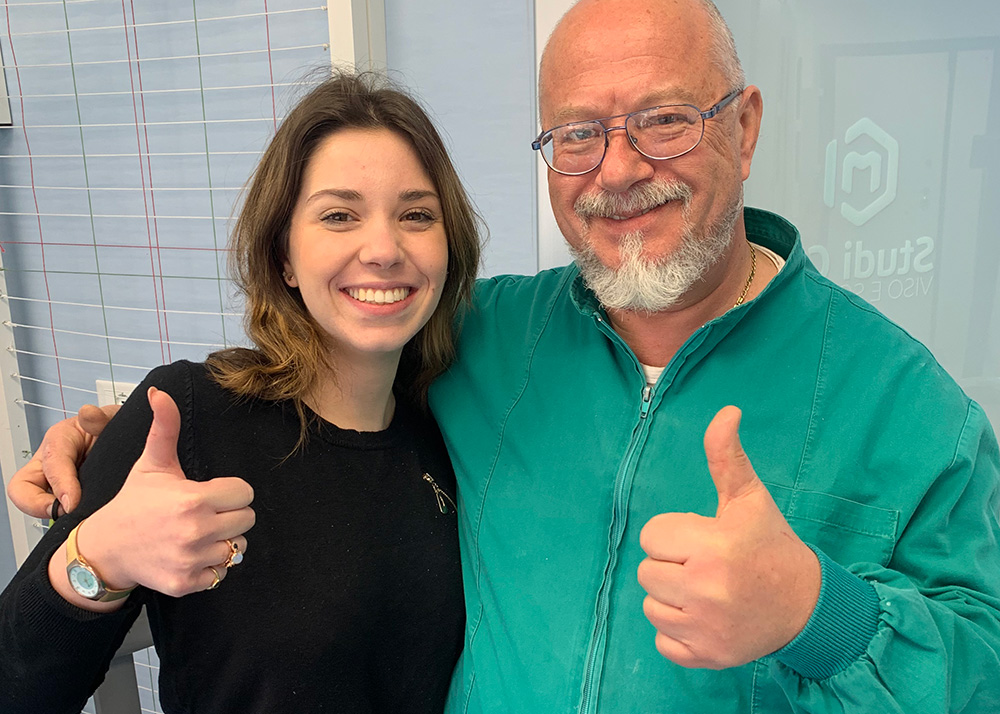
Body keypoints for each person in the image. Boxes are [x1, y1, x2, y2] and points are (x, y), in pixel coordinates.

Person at [9, 1, 1000, 712]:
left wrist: (819, 614)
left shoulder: (914, 410)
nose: (617, 168)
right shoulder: (486, 339)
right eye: (577, 134)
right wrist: (101, 467)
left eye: (663, 120)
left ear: (741, 129)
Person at [0, 69, 481, 713]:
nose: (384, 249)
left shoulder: (454, 428)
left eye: (416, 215)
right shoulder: (186, 416)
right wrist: (102, 557)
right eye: (339, 215)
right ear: (284, 256)